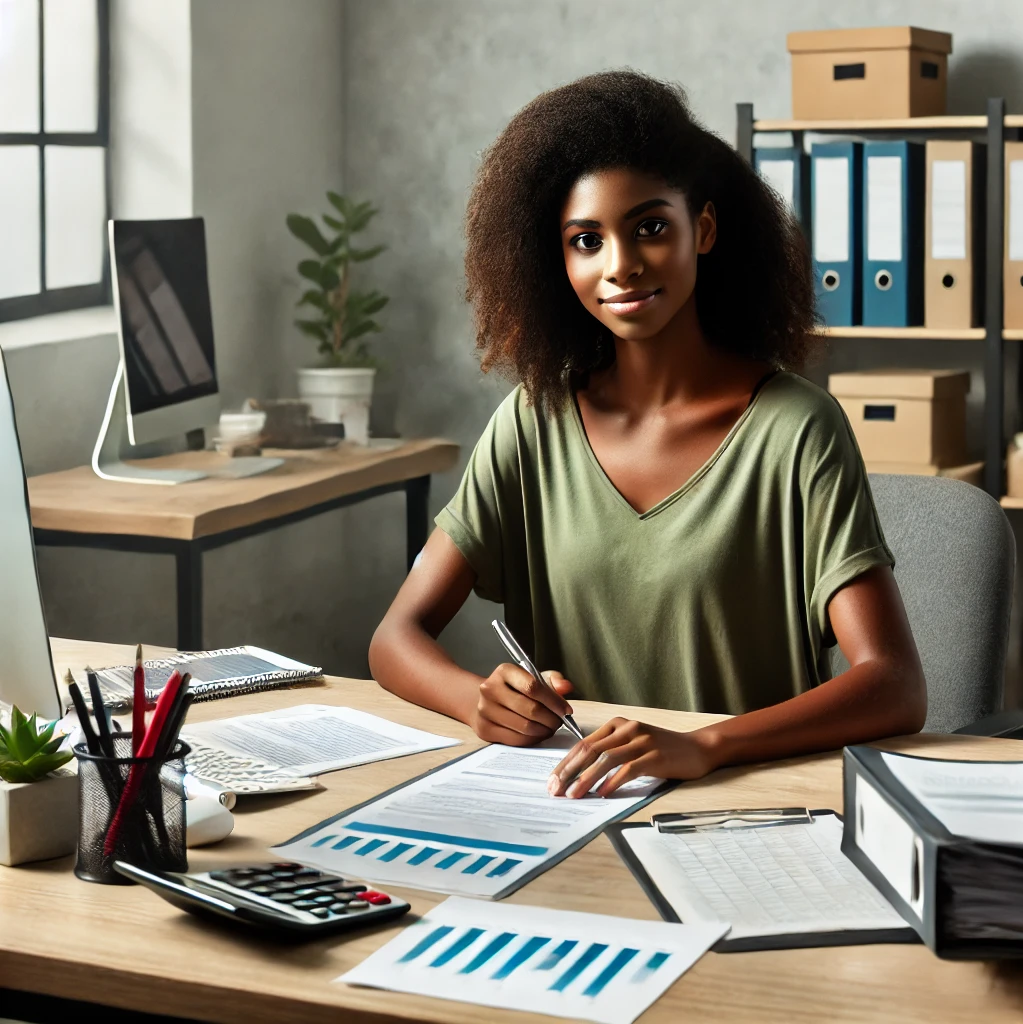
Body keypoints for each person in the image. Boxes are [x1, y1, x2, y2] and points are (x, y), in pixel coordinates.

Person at [369, 69, 926, 800]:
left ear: (706, 227)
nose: (621, 265)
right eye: (585, 240)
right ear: (557, 260)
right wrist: (475, 698)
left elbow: (894, 686)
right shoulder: (531, 424)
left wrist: (705, 744)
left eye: (650, 228)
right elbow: (394, 639)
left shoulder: (796, 431)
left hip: (746, 809)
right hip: (569, 807)